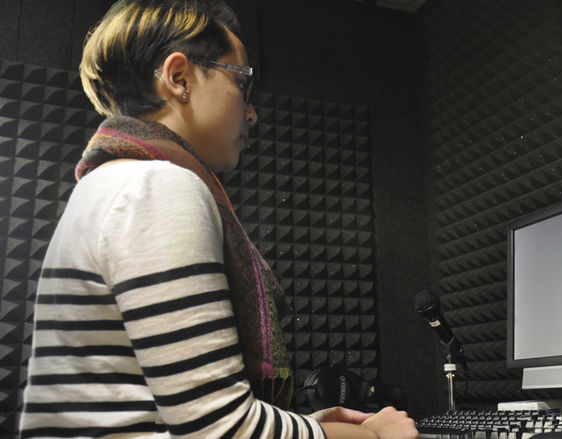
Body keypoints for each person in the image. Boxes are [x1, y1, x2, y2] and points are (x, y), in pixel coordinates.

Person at [19, 1, 418, 438]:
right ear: (179, 78)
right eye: (241, 82)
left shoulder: (115, 182)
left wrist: (305, 426)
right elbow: (221, 431)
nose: (252, 111)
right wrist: (377, 434)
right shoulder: (156, 185)